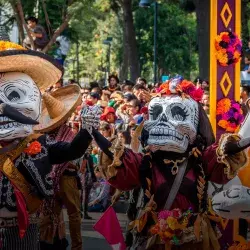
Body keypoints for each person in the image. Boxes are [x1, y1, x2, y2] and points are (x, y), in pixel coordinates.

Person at [94, 76, 249, 249]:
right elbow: (124, 167)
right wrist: (96, 136)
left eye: (177, 113)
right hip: (155, 239)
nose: (163, 122)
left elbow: (220, 161)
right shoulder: (146, 162)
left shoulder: (201, 160)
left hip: (193, 239)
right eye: (156, 113)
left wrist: (230, 147)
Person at [0, 40, 101, 249]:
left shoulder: (40, 145)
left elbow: (72, 150)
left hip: (22, 231)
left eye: (14, 95)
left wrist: (86, 131)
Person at [36, 85, 83, 250]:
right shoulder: (47, 137)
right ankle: (52, 242)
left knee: (73, 215)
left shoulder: (70, 135)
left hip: (67, 179)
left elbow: (75, 156)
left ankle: (76, 246)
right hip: (51, 181)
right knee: (50, 215)